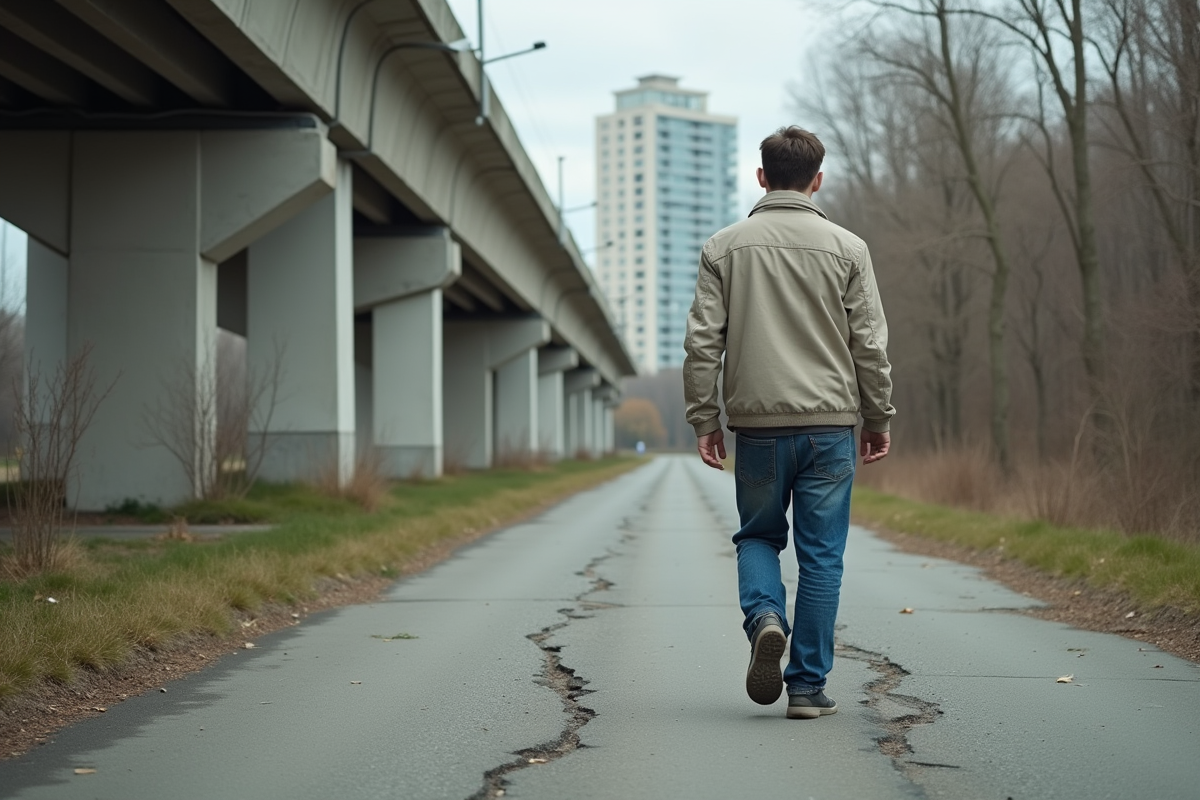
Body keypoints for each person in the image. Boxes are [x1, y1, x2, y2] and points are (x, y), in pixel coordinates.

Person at [682, 126, 895, 719]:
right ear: (817, 180)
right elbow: (870, 346)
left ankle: (766, 618)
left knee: (757, 536)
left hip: (757, 429)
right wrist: (877, 417)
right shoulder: (849, 249)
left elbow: (703, 343)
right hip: (831, 428)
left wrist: (705, 418)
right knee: (822, 555)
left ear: (761, 177)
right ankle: (805, 687)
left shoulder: (723, 247)